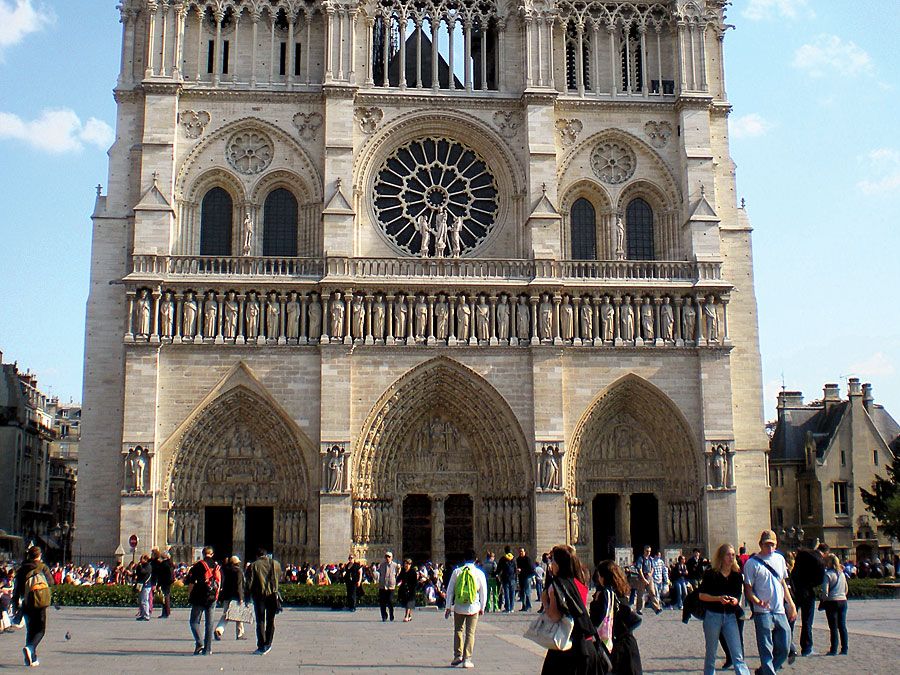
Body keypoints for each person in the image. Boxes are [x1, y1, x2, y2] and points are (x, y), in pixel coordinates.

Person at [540, 544, 605, 674]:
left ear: (558, 564)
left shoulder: (557, 584)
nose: (550, 564)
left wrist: (544, 602)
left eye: (552, 561)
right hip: (586, 643)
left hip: (566, 644)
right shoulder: (581, 580)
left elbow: (554, 616)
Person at [743, 530, 797, 675]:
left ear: (776, 544)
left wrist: (791, 604)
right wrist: (756, 601)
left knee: (785, 647)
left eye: (772, 545)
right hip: (763, 612)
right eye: (767, 545)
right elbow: (748, 589)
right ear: (760, 544)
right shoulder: (751, 563)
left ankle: (763, 671)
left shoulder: (779, 559)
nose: (770, 548)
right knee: (766, 648)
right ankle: (769, 672)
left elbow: (782, 583)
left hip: (779, 610)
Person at [698, 544, 750, 675]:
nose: (731, 557)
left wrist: (735, 601)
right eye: (728, 554)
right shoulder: (711, 574)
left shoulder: (737, 576)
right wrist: (718, 599)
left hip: (730, 617)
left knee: (737, 652)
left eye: (733, 555)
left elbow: (738, 595)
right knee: (711, 652)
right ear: (721, 556)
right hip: (713, 616)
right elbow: (701, 595)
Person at [591, 560, 642, 675]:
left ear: (603, 577)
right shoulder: (620, 593)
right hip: (628, 644)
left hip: (616, 645)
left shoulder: (606, 595)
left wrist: (595, 603)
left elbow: (597, 620)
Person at [444, 548, 488, 669]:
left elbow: (450, 590)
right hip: (473, 606)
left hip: (458, 606)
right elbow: (484, 592)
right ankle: (467, 659)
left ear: (463, 559)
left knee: (458, 630)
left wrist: (448, 607)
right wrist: (482, 607)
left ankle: (457, 655)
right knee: (470, 633)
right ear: (476, 560)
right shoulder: (479, 573)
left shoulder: (457, 571)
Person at [13, 546, 54, 667]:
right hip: (40, 602)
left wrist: (15, 604)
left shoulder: (22, 569)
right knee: (40, 630)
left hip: (27, 602)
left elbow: (17, 589)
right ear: (39, 555)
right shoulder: (42, 567)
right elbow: (51, 582)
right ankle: (30, 648)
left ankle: (31, 658)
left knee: (30, 629)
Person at [789, 542, 827, 656]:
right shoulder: (819, 560)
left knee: (791, 618)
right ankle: (806, 648)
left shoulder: (803, 554)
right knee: (807, 621)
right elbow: (820, 580)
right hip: (808, 592)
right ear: (825, 553)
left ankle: (787, 645)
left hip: (796, 590)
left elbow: (794, 573)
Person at [184, 546, 221, 656]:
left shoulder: (198, 565)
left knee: (194, 622)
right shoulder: (217, 566)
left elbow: (191, 582)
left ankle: (199, 642)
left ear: (203, 553)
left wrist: (189, 594)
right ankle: (208, 649)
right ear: (212, 554)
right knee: (209, 624)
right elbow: (219, 583)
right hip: (212, 597)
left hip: (199, 597)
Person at [247, 548, 282, 655]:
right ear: (266, 555)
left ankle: (261, 645)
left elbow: (249, 583)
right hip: (273, 595)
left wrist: (247, 596)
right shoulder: (276, 564)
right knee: (271, 620)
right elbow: (279, 577)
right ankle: (268, 643)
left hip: (259, 597)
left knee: (260, 621)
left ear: (257, 556)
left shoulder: (253, 565)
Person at [820, 554, 848, 655]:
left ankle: (834, 649)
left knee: (833, 627)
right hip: (843, 601)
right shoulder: (842, 574)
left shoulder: (828, 574)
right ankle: (844, 648)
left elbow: (825, 591)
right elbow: (846, 589)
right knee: (842, 626)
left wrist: (824, 598)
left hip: (832, 602)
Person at [214, 555, 246, 641]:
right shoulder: (238, 571)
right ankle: (240, 634)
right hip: (235, 596)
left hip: (227, 596)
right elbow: (239, 585)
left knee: (226, 615)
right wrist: (241, 597)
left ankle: (219, 630)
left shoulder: (225, 570)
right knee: (239, 615)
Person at [633, 546, 661, 615]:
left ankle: (657, 608)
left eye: (649, 551)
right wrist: (643, 579)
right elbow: (639, 569)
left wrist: (650, 575)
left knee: (652, 593)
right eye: (647, 551)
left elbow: (652, 568)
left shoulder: (650, 559)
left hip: (649, 578)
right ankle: (639, 609)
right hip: (642, 578)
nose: (648, 553)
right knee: (641, 594)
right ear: (644, 551)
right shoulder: (641, 559)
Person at [377, 551, 400, 622]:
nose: (387, 558)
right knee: (382, 602)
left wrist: (395, 579)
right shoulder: (382, 565)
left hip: (391, 586)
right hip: (382, 585)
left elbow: (398, 573)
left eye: (389, 557)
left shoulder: (395, 565)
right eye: (386, 556)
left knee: (390, 601)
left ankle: (391, 614)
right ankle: (384, 616)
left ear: (392, 557)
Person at [155, 552, 175, 618]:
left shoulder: (164, 564)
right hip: (168, 582)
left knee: (164, 598)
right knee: (167, 597)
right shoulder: (170, 563)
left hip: (164, 582)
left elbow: (160, 575)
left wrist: (158, 585)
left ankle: (165, 613)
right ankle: (167, 612)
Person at [497, 547, 517, 613]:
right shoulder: (513, 559)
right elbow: (515, 569)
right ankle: (512, 608)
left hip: (505, 578)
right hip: (512, 578)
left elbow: (499, 568)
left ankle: (507, 608)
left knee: (506, 593)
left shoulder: (503, 559)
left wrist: (494, 574)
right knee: (512, 593)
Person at [134, 554, 153, 620]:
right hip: (140, 585)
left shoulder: (148, 566)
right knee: (140, 600)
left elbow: (143, 572)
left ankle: (146, 615)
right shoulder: (142, 565)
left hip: (146, 585)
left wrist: (140, 566)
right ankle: (142, 614)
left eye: (141, 559)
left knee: (144, 600)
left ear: (145, 560)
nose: (140, 560)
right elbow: (138, 573)